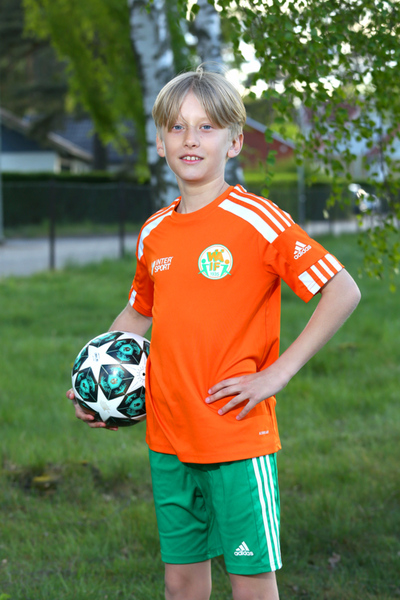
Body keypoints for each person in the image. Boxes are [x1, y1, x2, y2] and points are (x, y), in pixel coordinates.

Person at [67, 66, 361, 600]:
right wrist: (97, 384)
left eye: (206, 127)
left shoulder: (258, 219)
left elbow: (342, 290)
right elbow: (136, 314)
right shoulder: (155, 231)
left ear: (235, 141)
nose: (190, 139)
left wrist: (278, 373)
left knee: (251, 584)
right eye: (177, 127)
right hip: (169, 436)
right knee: (181, 585)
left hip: (236, 435)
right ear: (160, 143)